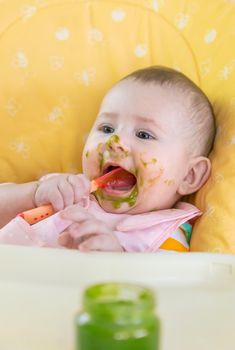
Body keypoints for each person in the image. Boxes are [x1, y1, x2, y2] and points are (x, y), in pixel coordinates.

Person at [0, 66, 216, 252]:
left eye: (144, 135)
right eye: (106, 128)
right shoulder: (61, 190)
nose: (115, 140)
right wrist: (33, 193)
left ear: (189, 175)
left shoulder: (166, 236)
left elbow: (170, 293)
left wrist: (114, 260)